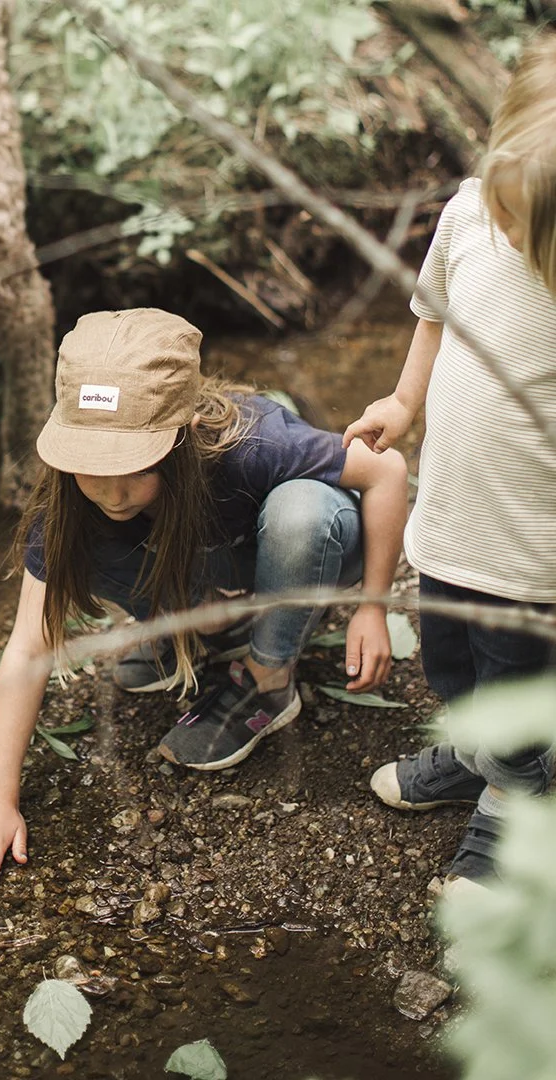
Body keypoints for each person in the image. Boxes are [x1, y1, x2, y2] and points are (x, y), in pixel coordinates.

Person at [0, 306, 408, 887]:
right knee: (90, 535)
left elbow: (387, 471)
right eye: (92, 468)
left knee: (303, 511)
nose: (112, 492)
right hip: (199, 562)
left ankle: (267, 675)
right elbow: (27, 647)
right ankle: (202, 633)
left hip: (292, 546)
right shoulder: (68, 498)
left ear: (181, 438)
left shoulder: (253, 441)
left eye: (132, 467)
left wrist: (374, 606)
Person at [342, 31, 556, 896]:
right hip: (453, 521)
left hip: (533, 551)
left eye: (527, 221)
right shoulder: (470, 211)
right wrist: (403, 400)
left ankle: (518, 795)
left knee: (514, 682)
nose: (503, 225)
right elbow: (433, 313)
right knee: (451, 663)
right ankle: (482, 753)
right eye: (503, 200)